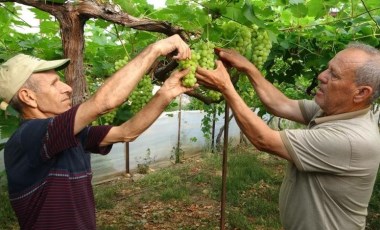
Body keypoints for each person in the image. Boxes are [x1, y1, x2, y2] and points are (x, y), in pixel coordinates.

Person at [0, 34, 194, 229]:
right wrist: (155, 49)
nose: (67, 88)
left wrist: (166, 92)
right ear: (28, 97)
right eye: (53, 83)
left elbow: (127, 132)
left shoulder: (67, 136)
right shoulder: (28, 137)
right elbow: (103, 104)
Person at [195, 43, 380, 229]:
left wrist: (226, 87)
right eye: (327, 68)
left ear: (361, 93)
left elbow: (264, 140)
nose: (321, 76)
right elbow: (280, 104)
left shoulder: (351, 140)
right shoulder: (333, 110)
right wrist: (249, 68)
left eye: (334, 74)